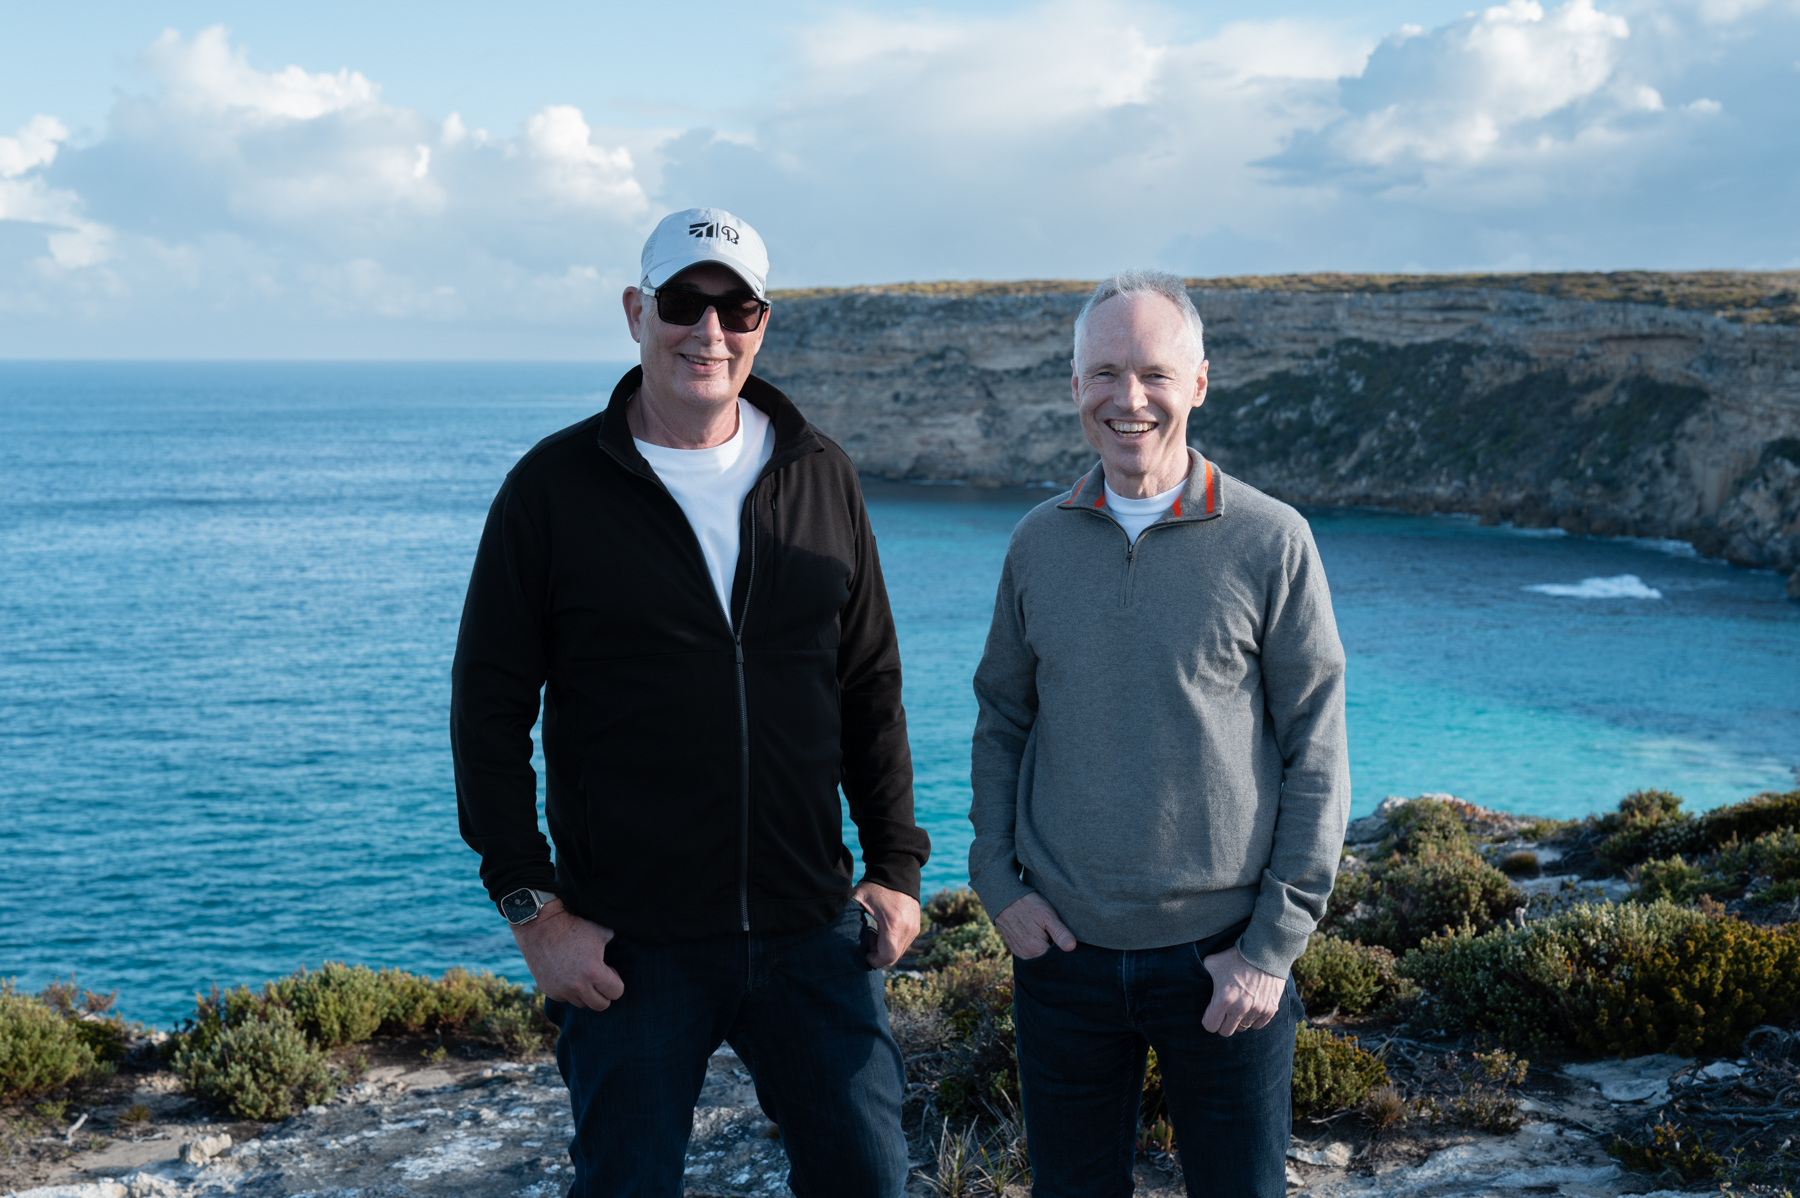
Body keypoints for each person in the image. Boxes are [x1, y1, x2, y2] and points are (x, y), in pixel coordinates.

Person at [451, 207, 929, 1198]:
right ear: (637, 311)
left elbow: (867, 682)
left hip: (809, 929)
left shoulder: (820, 472)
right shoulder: (553, 489)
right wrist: (535, 913)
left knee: (872, 1181)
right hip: (633, 943)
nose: (708, 332)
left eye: (736, 308)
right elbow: (487, 710)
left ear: (763, 324)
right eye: (683, 303)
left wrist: (895, 866)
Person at [966, 269, 1350, 1197]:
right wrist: (996, 883)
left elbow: (1316, 751)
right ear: (1074, 389)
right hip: (1062, 960)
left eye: (1152, 373)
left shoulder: (1272, 539)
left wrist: (1269, 951)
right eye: (1103, 374)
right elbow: (1002, 716)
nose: (1126, 399)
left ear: (1199, 383)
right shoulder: (1036, 542)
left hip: (1221, 965)